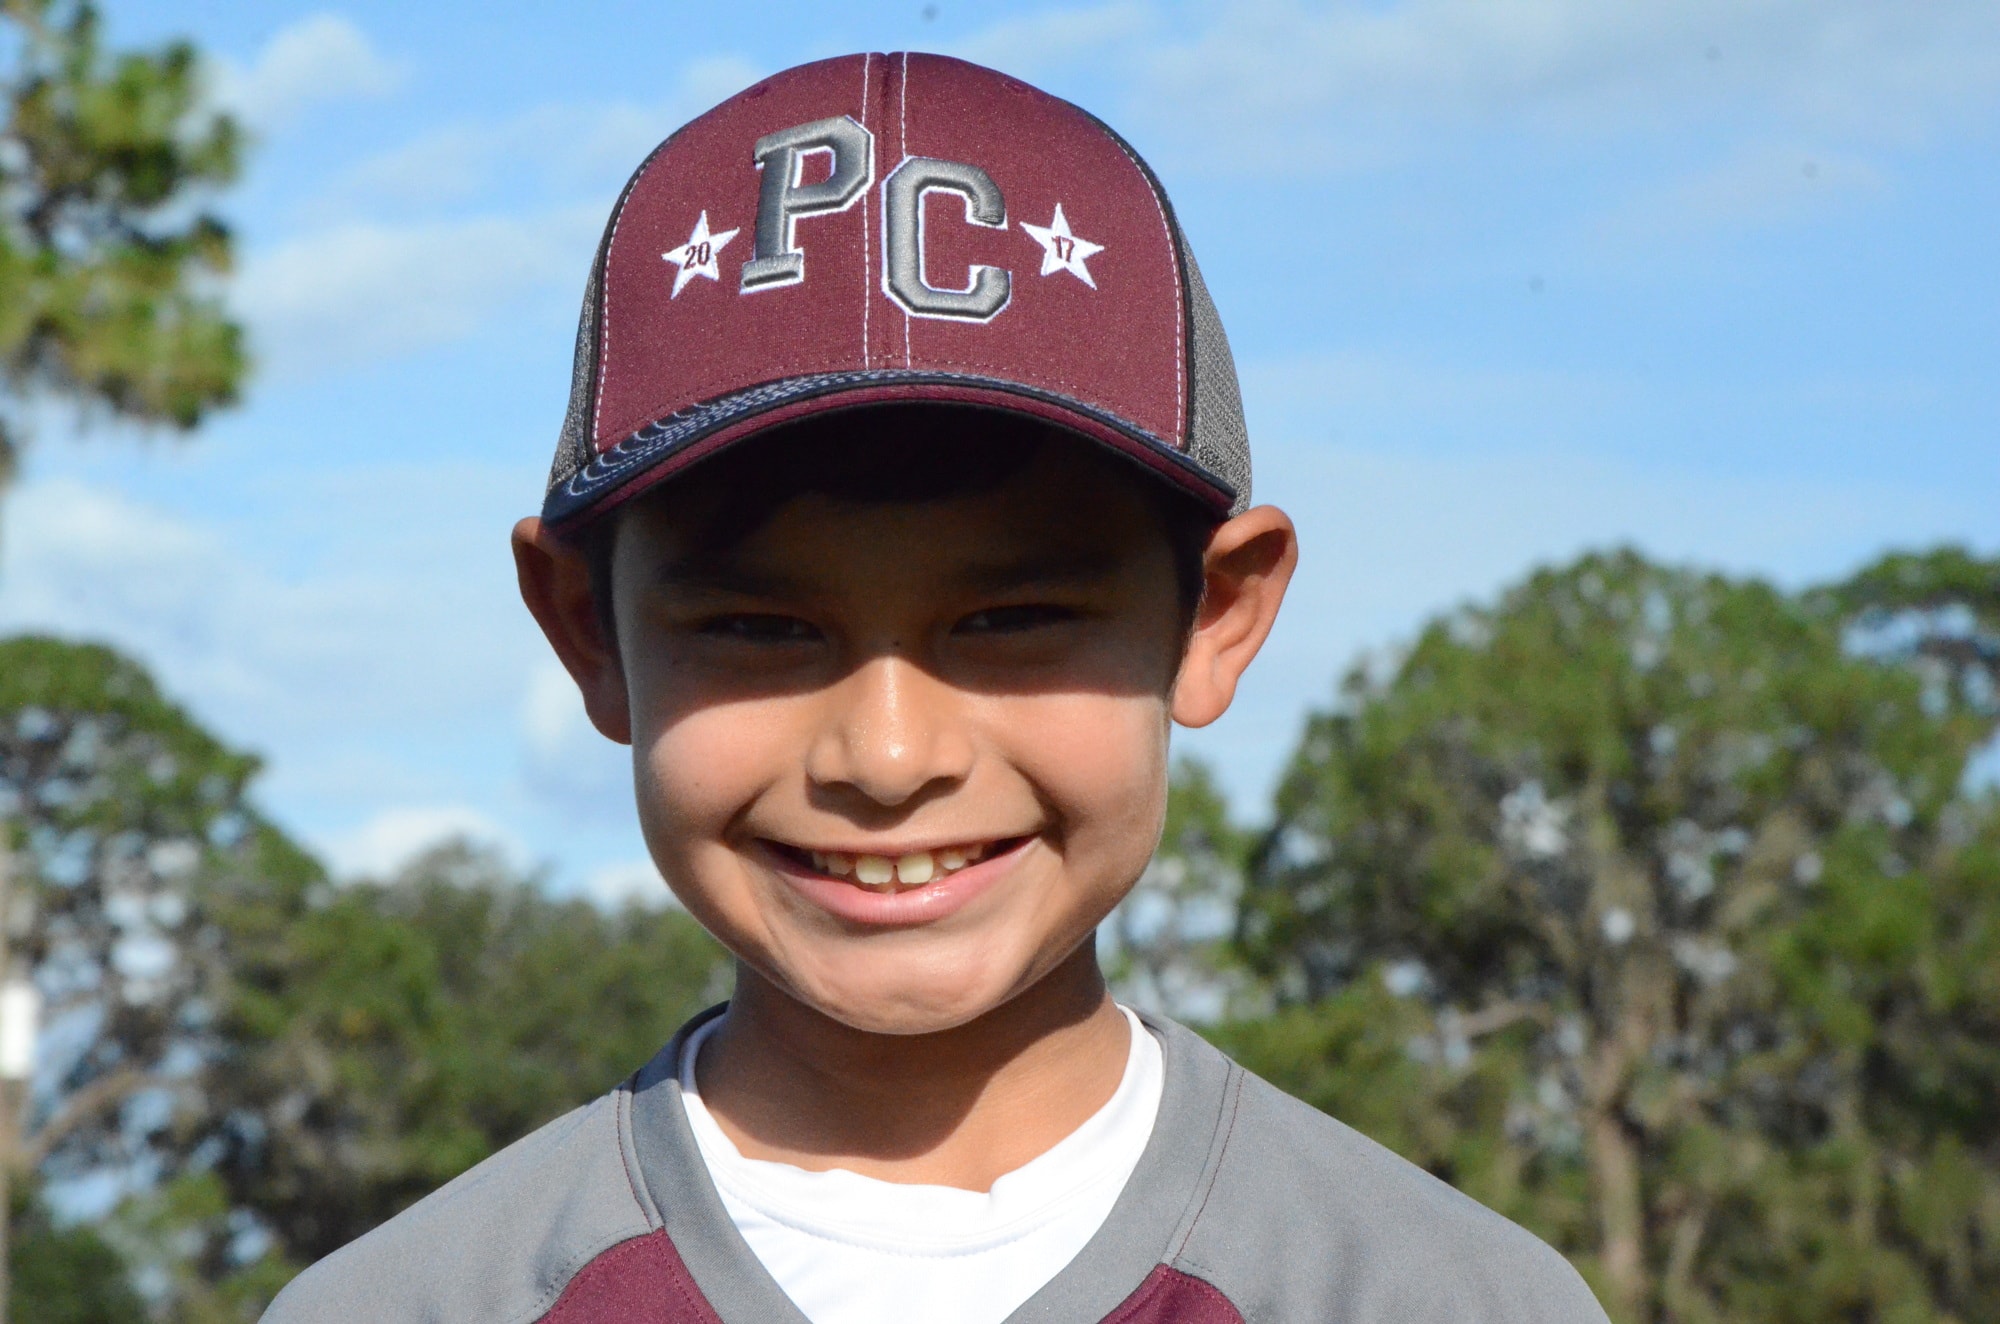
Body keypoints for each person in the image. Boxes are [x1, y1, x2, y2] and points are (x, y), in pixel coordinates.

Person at [263, 52, 1609, 1324]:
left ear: (1219, 612)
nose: (890, 755)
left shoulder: (1437, 1298)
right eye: (757, 626)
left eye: (1014, 619)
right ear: (586, 631)